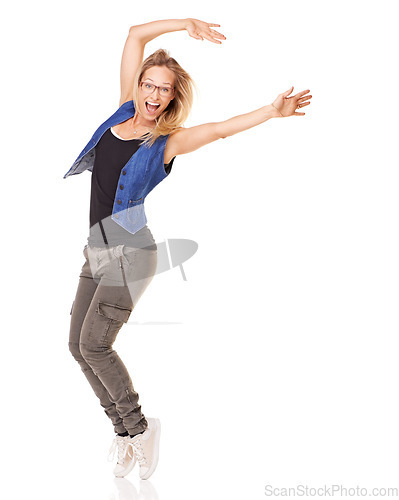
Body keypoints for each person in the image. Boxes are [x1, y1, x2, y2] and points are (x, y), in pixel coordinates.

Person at [65, 17, 312, 480]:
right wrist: (185, 24)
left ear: (174, 98)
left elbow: (218, 129)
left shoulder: (165, 142)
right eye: (149, 85)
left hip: (131, 253)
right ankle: (123, 433)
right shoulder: (122, 111)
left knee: (95, 345)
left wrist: (270, 111)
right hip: (95, 249)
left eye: (164, 91)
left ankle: (140, 429)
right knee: (78, 347)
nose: (154, 95)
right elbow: (136, 34)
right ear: (138, 85)